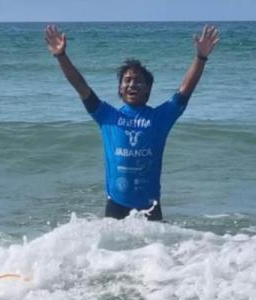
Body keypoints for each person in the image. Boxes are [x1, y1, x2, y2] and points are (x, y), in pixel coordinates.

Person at [44, 23, 219, 221]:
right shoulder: (107, 115)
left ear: (147, 89)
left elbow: (184, 91)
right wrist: (61, 56)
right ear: (120, 89)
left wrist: (201, 57)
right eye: (127, 80)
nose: (132, 84)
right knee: (113, 253)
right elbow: (81, 86)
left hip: (150, 208)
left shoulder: (160, 118)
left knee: (156, 252)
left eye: (138, 81)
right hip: (116, 205)